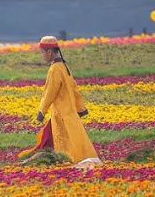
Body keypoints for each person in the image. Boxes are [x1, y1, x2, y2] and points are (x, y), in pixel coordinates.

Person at [19, 36, 100, 167]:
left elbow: (50, 92)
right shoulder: (63, 66)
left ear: (49, 52)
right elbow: (74, 88)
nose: (42, 56)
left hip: (61, 113)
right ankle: (79, 158)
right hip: (70, 112)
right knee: (74, 137)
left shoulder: (55, 69)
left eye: (42, 53)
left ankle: (69, 160)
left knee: (66, 141)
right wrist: (81, 109)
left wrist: (42, 111)